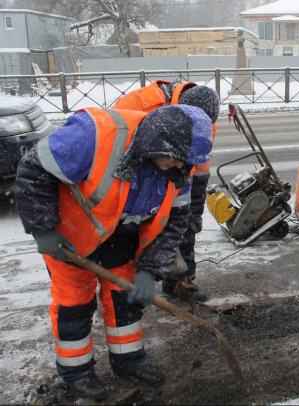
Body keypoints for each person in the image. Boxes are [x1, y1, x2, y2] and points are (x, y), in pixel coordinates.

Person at [14, 104, 213, 401]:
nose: (179, 168)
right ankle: (77, 373)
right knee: (74, 305)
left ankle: (128, 361)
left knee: (125, 301)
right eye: (175, 160)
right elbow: (33, 170)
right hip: (70, 236)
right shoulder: (94, 135)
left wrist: (150, 270)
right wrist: (43, 229)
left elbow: (173, 222)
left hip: (122, 235)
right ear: (157, 142)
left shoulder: (180, 168)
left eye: (185, 164)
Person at [113, 82, 220, 301]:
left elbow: (198, 170)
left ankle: (180, 283)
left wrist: (194, 212)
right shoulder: (140, 104)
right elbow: (116, 146)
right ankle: (130, 285)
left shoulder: (203, 122)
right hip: (135, 182)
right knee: (143, 234)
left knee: (180, 230)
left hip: (178, 181)